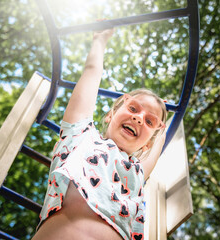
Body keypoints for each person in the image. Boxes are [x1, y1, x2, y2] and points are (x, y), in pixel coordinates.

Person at [32, 27, 167, 240]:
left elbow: (160, 140)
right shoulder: (82, 136)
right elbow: (91, 73)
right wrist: (100, 41)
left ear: (147, 146)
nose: (139, 118)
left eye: (150, 121)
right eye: (133, 108)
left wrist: (164, 122)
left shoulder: (136, 173)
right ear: (110, 115)